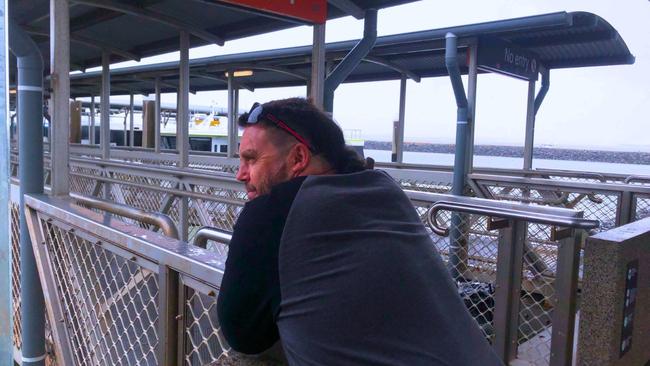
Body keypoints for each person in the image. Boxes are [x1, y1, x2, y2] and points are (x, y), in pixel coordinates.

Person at [217, 98, 502, 365]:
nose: (240, 174)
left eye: (251, 159)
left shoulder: (273, 211)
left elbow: (242, 334)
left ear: (298, 157)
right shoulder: (385, 188)